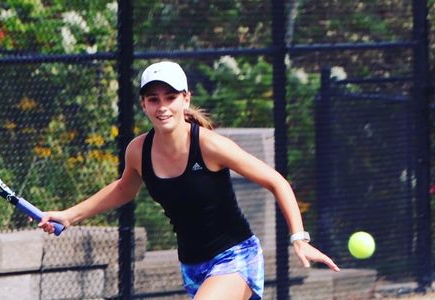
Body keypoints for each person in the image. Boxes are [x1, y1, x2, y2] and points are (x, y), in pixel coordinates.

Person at [38, 61, 340, 299]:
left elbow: (277, 181)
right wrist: (69, 215)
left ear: (186, 99)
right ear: (143, 105)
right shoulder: (138, 151)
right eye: (153, 99)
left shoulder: (209, 145)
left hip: (235, 257)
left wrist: (299, 239)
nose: (163, 106)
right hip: (192, 266)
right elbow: (123, 189)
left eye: (171, 97)